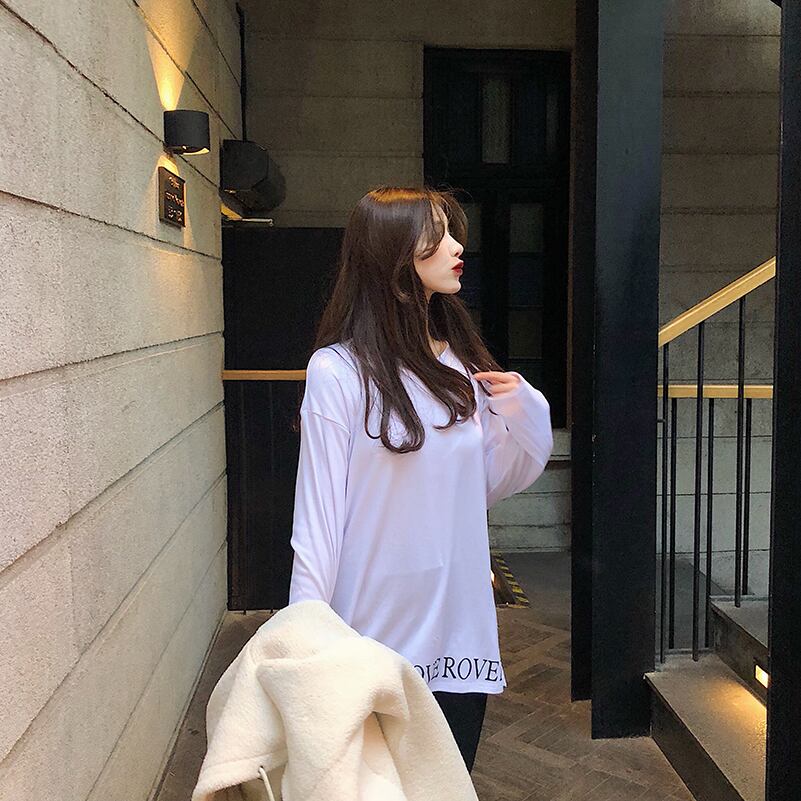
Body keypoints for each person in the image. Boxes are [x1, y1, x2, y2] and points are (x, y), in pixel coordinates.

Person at [287, 185, 554, 773]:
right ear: (392, 252)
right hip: (369, 629)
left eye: (454, 232)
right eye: (439, 235)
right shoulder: (338, 371)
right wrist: (303, 638)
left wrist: (524, 407)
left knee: (447, 780)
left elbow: (491, 482)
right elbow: (318, 518)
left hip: (458, 628)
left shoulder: (459, 364)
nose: (458, 247)